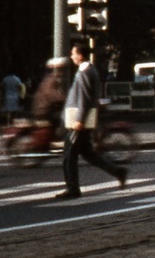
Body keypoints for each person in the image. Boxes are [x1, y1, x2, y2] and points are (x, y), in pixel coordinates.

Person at [58, 41, 127, 199]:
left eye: (73, 54)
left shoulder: (85, 72)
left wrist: (79, 120)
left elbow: (84, 98)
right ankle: (117, 171)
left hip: (78, 121)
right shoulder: (90, 70)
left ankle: (72, 188)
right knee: (88, 153)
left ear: (80, 55)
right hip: (82, 120)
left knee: (69, 156)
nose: (72, 56)